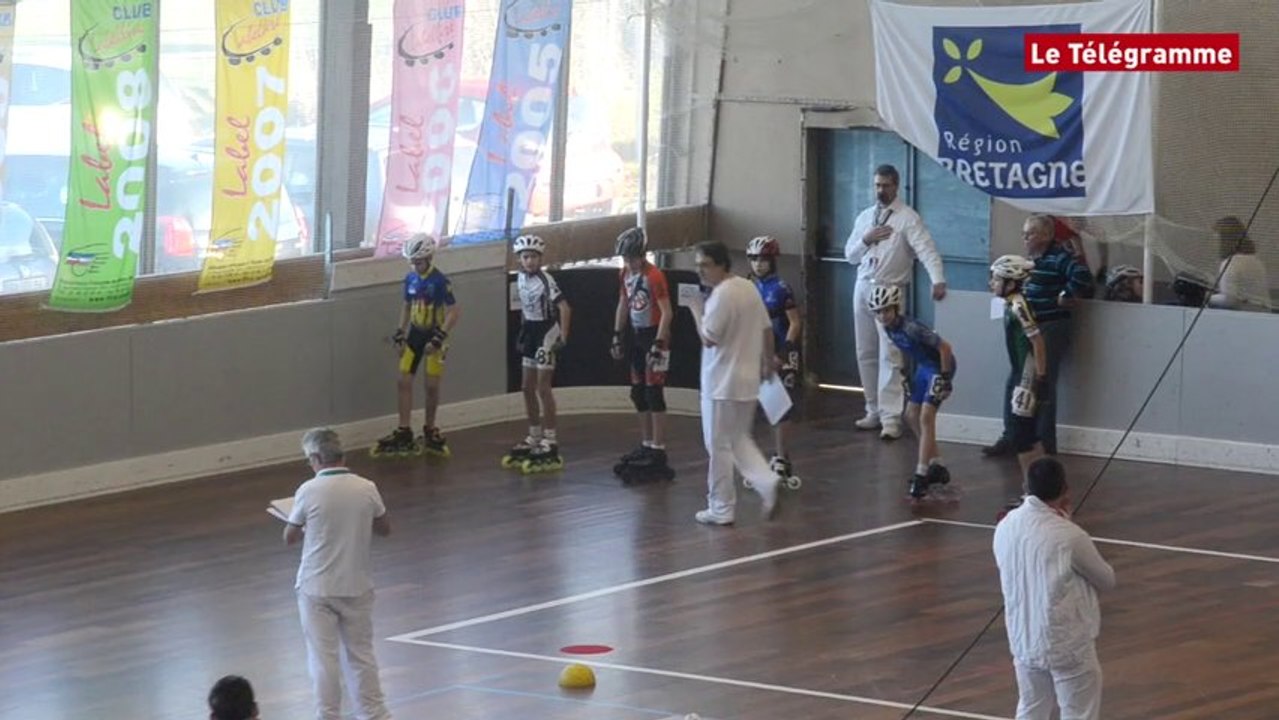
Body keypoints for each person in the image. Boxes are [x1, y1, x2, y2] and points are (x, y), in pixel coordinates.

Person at [993, 457, 1116, 720]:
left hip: (1023, 638)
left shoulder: (1004, 527)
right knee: (1078, 712)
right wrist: (1068, 523)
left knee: (1031, 708)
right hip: (1067, 645)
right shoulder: (1070, 536)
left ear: (1026, 486)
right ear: (1065, 490)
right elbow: (1107, 580)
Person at [286, 429, 393, 720]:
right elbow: (384, 528)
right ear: (342, 454)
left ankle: (329, 715)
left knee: (323, 659)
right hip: (357, 585)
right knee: (362, 654)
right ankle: (376, 714)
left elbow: (290, 536)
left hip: (316, 587)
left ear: (317, 457)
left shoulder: (308, 490)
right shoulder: (366, 487)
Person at [844, 164, 946, 440]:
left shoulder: (907, 218)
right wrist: (866, 239)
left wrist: (937, 279)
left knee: (890, 353)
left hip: (889, 289)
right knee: (864, 350)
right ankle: (872, 409)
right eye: (877, 185)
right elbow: (850, 255)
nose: (881, 190)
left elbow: (926, 250)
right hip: (863, 285)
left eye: (886, 185)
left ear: (896, 185)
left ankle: (891, 418)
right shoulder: (866, 216)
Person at [686, 241, 780, 525]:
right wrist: (767, 360)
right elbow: (766, 327)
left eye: (705, 265)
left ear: (721, 264)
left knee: (718, 446)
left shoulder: (722, 296)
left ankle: (721, 506)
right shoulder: (748, 288)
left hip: (720, 384)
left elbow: (709, 338)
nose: (700, 271)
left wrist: (695, 309)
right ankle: (767, 483)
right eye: (698, 265)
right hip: (747, 380)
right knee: (739, 439)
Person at [983, 214, 1093, 458]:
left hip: (1049, 327)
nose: (1024, 238)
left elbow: (1083, 275)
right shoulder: (1028, 262)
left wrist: (1067, 294)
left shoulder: (1059, 257)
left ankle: (1044, 443)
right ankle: (1011, 436)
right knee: (1015, 380)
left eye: (1030, 233)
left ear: (1045, 235)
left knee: (1043, 384)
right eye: (1024, 233)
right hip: (1027, 328)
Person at [372, 233, 461, 459]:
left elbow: (454, 311)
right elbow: (406, 305)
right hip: (415, 334)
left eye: (419, 262)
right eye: (412, 262)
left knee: (431, 386)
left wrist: (440, 336)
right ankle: (404, 429)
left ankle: (430, 428)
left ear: (429, 258)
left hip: (434, 336)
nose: (415, 266)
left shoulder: (440, 281)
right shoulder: (410, 279)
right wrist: (400, 332)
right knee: (403, 381)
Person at [867, 285, 956, 500]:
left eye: (886, 310)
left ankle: (921, 473)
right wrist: (907, 374)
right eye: (877, 312)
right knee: (910, 415)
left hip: (939, 366)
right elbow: (906, 352)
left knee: (926, 418)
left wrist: (944, 379)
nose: (882, 316)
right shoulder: (889, 329)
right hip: (924, 368)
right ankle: (937, 464)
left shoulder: (911, 327)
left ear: (896, 308)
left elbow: (945, 347)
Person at [611, 226, 675, 481]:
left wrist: (659, 344)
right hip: (636, 335)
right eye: (625, 259)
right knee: (638, 393)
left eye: (632, 258)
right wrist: (617, 334)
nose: (628, 263)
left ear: (642, 254)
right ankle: (647, 442)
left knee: (653, 393)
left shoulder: (654, 276)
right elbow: (623, 304)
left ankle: (658, 449)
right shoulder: (625, 274)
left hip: (654, 336)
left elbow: (667, 312)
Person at [504, 234, 572, 473]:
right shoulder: (520, 277)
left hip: (546, 332)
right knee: (526, 386)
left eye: (533, 257)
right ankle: (534, 434)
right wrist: (523, 331)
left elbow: (564, 307)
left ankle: (550, 437)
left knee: (543, 387)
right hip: (531, 331)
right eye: (525, 257)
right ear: (520, 259)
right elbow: (525, 307)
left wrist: (563, 335)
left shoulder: (546, 279)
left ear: (540, 258)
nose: (530, 261)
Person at [746, 234, 803, 484]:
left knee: (780, 407)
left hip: (781, 351)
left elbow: (795, 322)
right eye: (754, 259)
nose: (758, 264)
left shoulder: (781, 288)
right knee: (762, 407)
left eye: (763, 260)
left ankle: (782, 457)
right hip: (757, 353)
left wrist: (785, 351)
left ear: (773, 261)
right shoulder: (748, 286)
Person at [990, 255, 1049, 475]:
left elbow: (1037, 340)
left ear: (1011, 283)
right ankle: (1040, 488)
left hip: (1027, 374)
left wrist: (1041, 377)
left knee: (1021, 437)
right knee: (1028, 436)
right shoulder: (1011, 304)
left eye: (996, 279)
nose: (992, 283)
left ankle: (1033, 490)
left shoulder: (1018, 305)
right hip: (1020, 372)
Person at [1207, 215, 1272, 312]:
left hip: (1242, 318)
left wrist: (1206, 297)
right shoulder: (1255, 261)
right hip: (1263, 315)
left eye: (1216, 240)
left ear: (1224, 241)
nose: (1214, 244)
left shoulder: (1230, 264)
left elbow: (1230, 299)